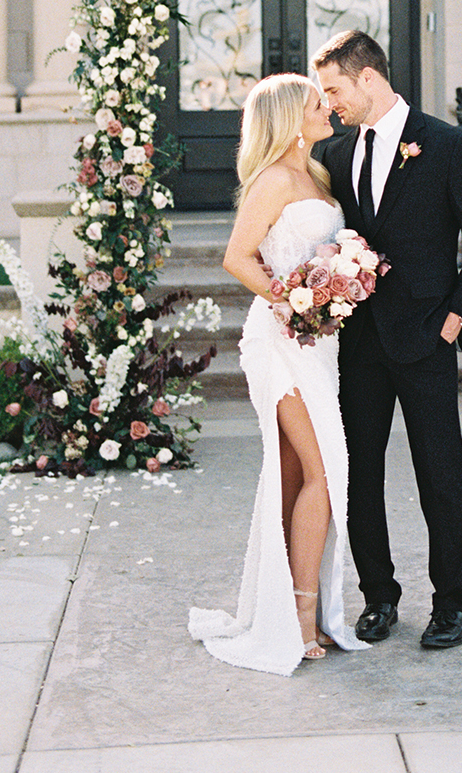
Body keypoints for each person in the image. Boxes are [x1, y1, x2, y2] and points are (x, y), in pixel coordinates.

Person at [313, 30, 462, 650]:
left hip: (427, 338)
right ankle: (379, 597)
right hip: (359, 343)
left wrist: (458, 318)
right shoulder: (337, 155)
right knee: (358, 475)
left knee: (440, 473)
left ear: (368, 79)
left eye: (335, 90)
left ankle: (452, 603)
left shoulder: (448, 145)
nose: (331, 103)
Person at [188, 73, 368, 675]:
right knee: (325, 471)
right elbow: (237, 257)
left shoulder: (316, 174)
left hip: (318, 345)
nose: (329, 109)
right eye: (318, 104)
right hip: (281, 343)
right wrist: (295, 302)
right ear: (292, 118)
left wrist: (339, 281)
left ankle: (285, 604)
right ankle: (300, 616)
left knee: (296, 476)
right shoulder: (270, 180)